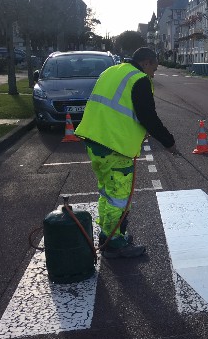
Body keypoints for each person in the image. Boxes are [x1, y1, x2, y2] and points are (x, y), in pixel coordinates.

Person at [75, 47, 180, 259]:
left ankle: (109, 235)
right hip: (115, 146)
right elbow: (148, 117)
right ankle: (114, 244)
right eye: (154, 68)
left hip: (95, 141)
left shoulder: (112, 71)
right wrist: (169, 142)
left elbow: (118, 108)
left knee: (108, 192)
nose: (153, 74)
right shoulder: (139, 80)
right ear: (146, 62)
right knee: (119, 198)